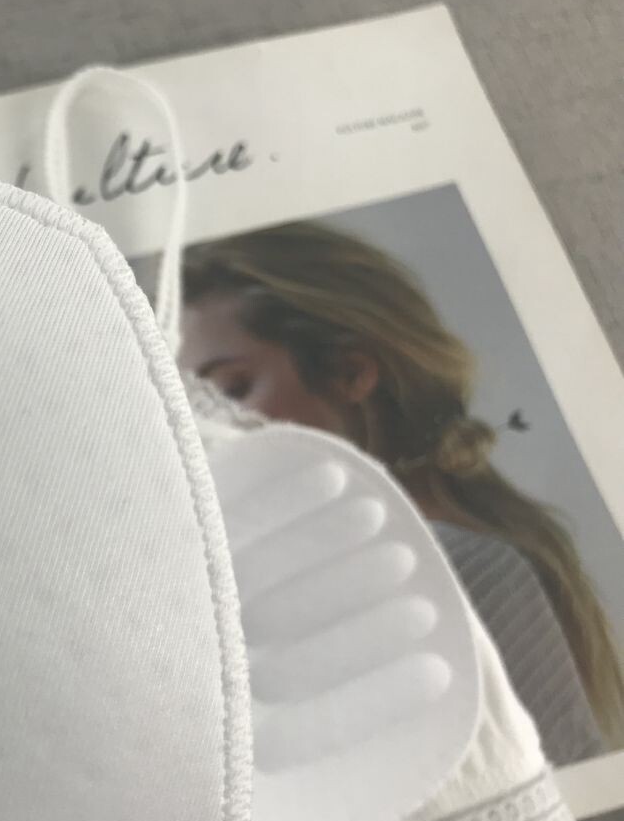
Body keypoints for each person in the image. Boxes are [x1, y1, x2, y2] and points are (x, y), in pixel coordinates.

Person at [179, 220, 622, 763]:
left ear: (350, 373)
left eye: (231, 390)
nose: (210, 433)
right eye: (193, 409)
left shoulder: (458, 568)